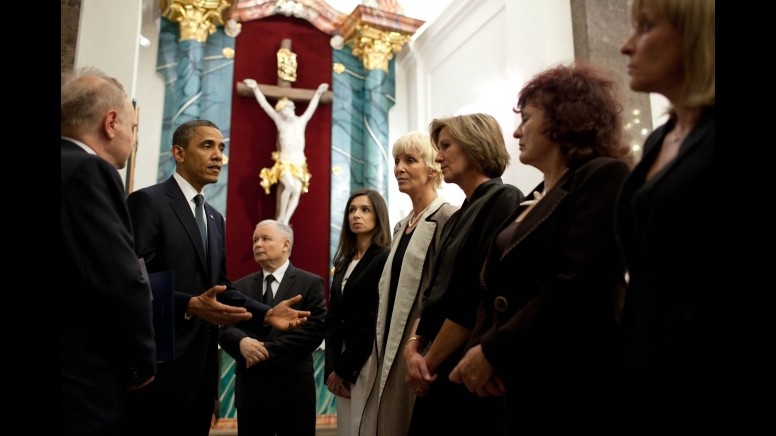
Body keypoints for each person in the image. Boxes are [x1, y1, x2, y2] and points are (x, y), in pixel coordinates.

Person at [449, 63, 632, 435]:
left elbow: (580, 283)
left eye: (527, 118)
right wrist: (480, 347)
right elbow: (492, 284)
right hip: (517, 377)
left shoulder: (603, 176)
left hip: (572, 377)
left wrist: (493, 351)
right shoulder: (531, 197)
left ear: (564, 119)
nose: (516, 131)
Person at [124, 119, 311, 436]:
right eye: (207, 145)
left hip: (202, 368)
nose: (218, 156)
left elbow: (221, 287)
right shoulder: (148, 202)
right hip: (160, 365)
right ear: (179, 153)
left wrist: (267, 314)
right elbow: (134, 279)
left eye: (222, 148)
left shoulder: (214, 217)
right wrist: (191, 304)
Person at [615, 1, 715, 433]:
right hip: (644, 370)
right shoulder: (658, 139)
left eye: (646, 27)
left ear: (695, 34)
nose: (626, 45)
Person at [403, 113, 524, 435]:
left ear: (475, 145)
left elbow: (471, 296)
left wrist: (426, 364)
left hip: (467, 363)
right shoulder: (459, 216)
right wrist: (413, 346)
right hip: (439, 358)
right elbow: (435, 291)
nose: (438, 157)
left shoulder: (504, 198)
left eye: (445, 146)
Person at [61, 67, 156, 436]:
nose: (134, 138)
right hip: (80, 380)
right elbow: (119, 280)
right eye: (134, 128)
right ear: (111, 122)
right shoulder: (90, 170)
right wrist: (141, 366)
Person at [359, 132, 457, 436]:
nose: (399, 168)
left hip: (419, 346)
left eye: (409, 161)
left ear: (433, 169)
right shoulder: (402, 225)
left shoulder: (447, 217)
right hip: (388, 340)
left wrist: (420, 347)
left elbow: (443, 291)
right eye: (396, 161)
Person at [219, 219, 327, 436]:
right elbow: (224, 327)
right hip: (251, 392)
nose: (257, 244)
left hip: (293, 392)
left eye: (265, 239)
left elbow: (314, 330)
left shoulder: (310, 283)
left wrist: (266, 351)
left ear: (286, 245)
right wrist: (242, 343)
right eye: (255, 240)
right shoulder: (239, 287)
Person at [324, 189, 392, 436]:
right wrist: (332, 366)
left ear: (378, 216)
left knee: (363, 427)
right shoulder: (343, 262)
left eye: (365, 210)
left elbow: (373, 319)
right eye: (352, 210)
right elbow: (332, 319)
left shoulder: (384, 258)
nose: (356, 215)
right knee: (346, 428)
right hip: (341, 358)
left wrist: (344, 368)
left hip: (366, 357)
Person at [244, 78, 329, 225]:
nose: (284, 114)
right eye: (281, 112)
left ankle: (286, 220)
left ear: (292, 109)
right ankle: (280, 217)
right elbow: (265, 106)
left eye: (285, 110)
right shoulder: (279, 121)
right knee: (289, 186)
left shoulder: (301, 121)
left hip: (299, 162)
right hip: (285, 162)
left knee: (296, 190)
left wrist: (319, 93)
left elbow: (312, 107)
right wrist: (255, 88)